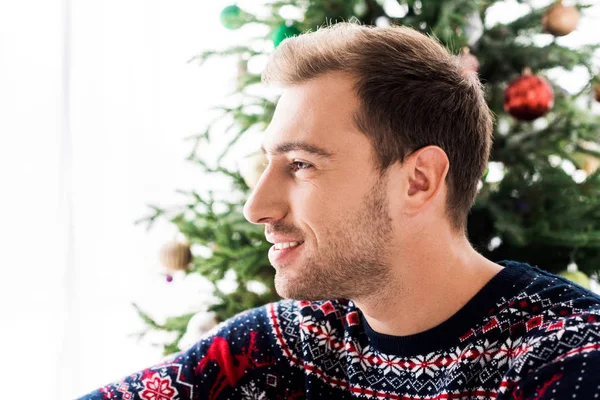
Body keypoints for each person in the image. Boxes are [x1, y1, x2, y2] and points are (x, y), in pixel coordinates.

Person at [78, 22, 600, 400]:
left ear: (418, 181)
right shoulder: (284, 343)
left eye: (302, 164)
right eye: (268, 162)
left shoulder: (570, 360)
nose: (255, 207)